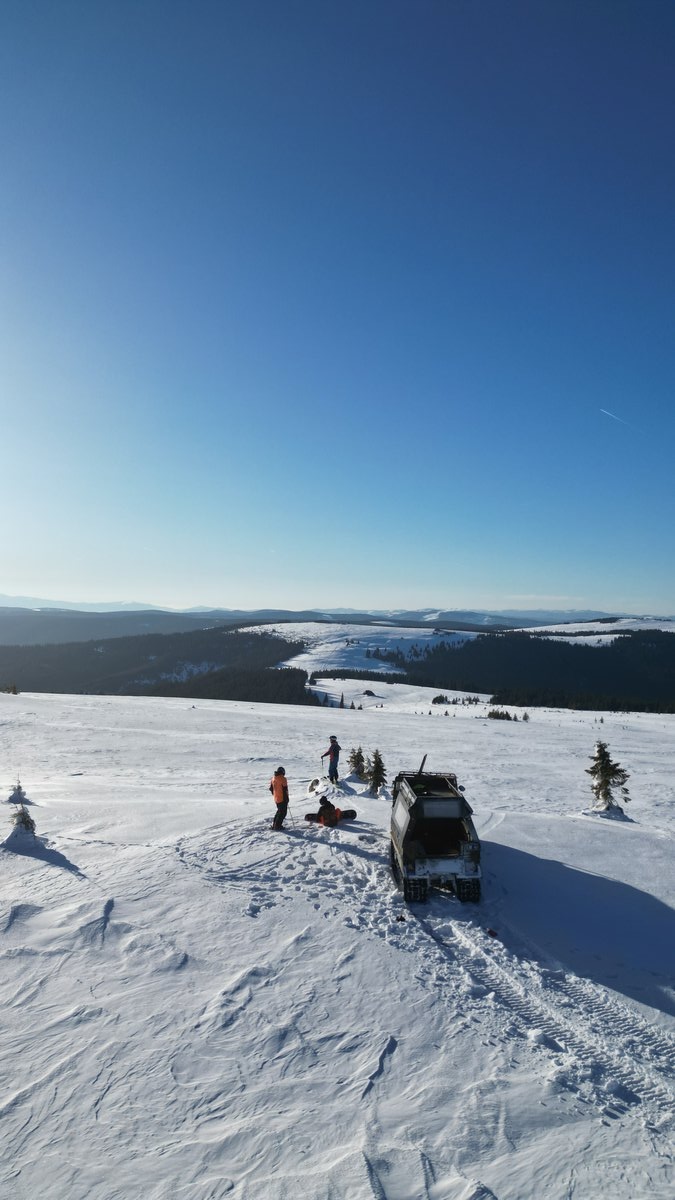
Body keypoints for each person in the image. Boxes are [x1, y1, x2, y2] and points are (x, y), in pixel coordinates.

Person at [269, 766, 289, 830]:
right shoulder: (283, 779)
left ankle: (275, 824)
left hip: (276, 799)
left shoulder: (273, 778)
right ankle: (277, 826)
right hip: (282, 798)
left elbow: (271, 789)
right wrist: (286, 799)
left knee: (279, 811)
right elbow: (285, 790)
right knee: (283, 813)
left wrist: (275, 795)